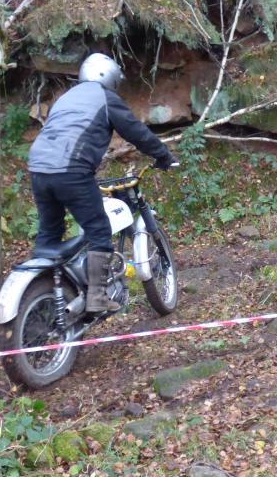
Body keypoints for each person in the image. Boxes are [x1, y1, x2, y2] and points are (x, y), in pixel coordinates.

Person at [27, 52, 175, 312]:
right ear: (109, 77)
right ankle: (97, 296)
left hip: (38, 169)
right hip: (71, 171)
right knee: (98, 231)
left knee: (49, 234)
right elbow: (135, 131)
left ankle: (41, 300)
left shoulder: (67, 98)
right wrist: (163, 155)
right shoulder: (104, 98)